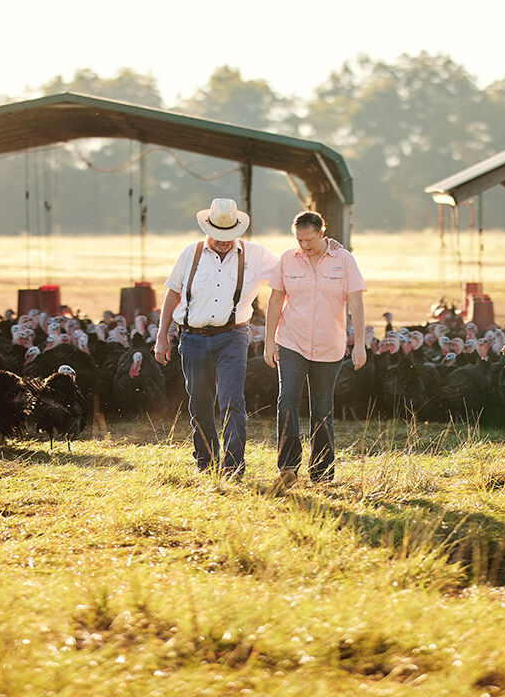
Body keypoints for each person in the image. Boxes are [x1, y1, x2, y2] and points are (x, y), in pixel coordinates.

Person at [153, 198, 278, 478]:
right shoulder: (190, 253)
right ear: (207, 228)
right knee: (198, 401)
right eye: (219, 236)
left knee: (232, 399)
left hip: (232, 336)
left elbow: (289, 271)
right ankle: (205, 461)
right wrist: (162, 337)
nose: (224, 242)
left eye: (229, 236)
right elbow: (172, 293)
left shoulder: (255, 255)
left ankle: (233, 465)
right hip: (192, 338)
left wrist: (324, 249)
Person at [263, 211, 367, 488]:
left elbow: (356, 302)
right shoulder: (287, 259)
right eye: (299, 239)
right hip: (291, 340)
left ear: (322, 233)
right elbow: (275, 300)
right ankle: (288, 467)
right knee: (287, 400)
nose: (304, 245)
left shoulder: (344, 261)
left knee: (322, 410)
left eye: (309, 239)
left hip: (329, 345)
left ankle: (322, 474)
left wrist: (359, 345)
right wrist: (269, 340)